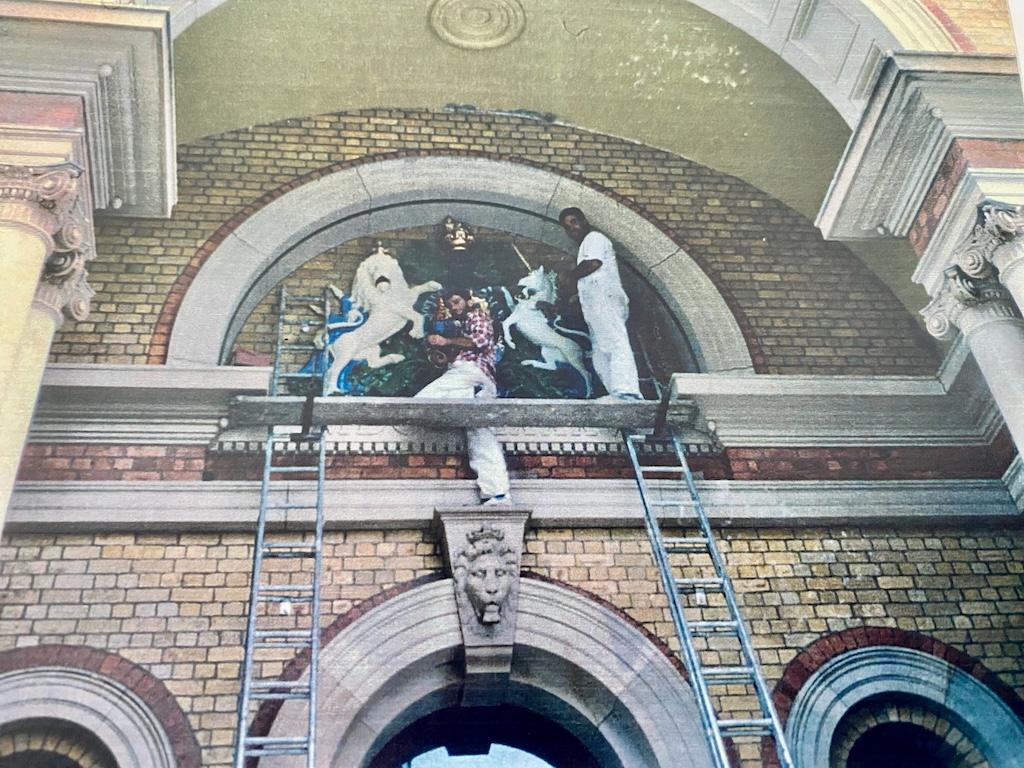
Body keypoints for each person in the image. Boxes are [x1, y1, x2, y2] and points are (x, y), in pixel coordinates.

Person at [415, 288, 511, 505]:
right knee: (480, 436)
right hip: (469, 379)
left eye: (457, 302)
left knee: (420, 403)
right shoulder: (463, 325)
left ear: (468, 300)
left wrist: (445, 342)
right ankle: (497, 493)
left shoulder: (477, 316)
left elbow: (480, 341)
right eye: (450, 305)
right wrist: (443, 356)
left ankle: (498, 492)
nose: (454, 308)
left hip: (472, 376)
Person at [558, 207, 643, 400]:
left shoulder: (594, 238)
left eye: (574, 221)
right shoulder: (583, 247)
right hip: (595, 307)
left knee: (615, 342)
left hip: (606, 301)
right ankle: (616, 391)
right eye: (567, 226)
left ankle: (628, 390)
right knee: (600, 351)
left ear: (584, 221)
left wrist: (568, 276)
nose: (572, 228)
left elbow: (594, 263)